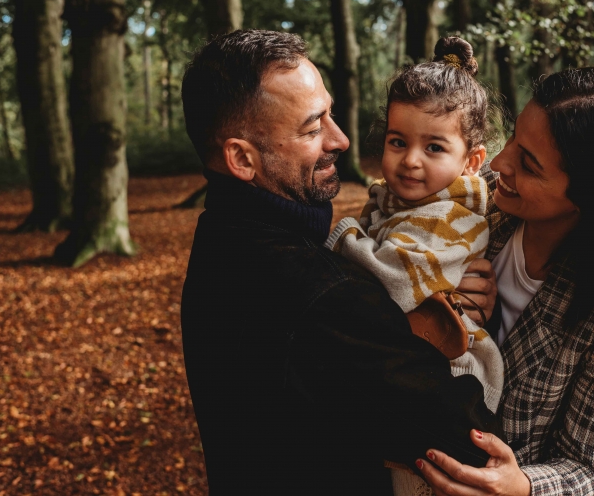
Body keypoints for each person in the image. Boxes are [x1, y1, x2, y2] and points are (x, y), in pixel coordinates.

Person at [179, 29, 502, 494]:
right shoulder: (321, 293)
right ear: (241, 159)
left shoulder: (221, 238)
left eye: (330, 115)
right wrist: (452, 319)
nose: (343, 139)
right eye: (313, 129)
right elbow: (470, 440)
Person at [416, 66, 594, 495]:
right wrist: (435, 294)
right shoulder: (473, 201)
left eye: (529, 163)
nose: (500, 162)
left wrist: (522, 487)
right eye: (514, 140)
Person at [326, 37, 505, 496]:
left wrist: (341, 237)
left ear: (472, 161)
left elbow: (393, 277)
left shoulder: (449, 214)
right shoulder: (400, 199)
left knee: (420, 481)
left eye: (434, 148)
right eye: (397, 141)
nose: (409, 160)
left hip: (450, 377)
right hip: (411, 364)